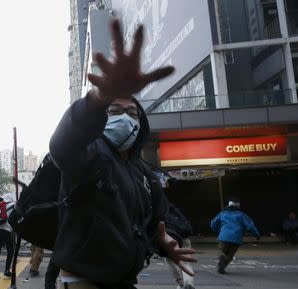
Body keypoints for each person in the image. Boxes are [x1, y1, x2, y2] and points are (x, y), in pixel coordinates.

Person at [49, 18, 196, 289]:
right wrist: (98, 98)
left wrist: (165, 243)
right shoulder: (87, 154)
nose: (125, 118)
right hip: (83, 281)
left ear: (141, 124)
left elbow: (155, 223)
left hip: (125, 280)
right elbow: (62, 144)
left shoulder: (145, 176)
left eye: (132, 113)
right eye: (114, 111)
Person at [211, 200, 260, 274]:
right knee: (230, 255)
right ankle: (222, 268)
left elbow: (213, 223)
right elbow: (250, 226)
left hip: (224, 236)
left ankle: (221, 257)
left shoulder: (222, 214)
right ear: (238, 206)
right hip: (236, 238)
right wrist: (256, 234)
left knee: (221, 251)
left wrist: (217, 230)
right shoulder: (242, 215)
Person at [165, 202, 194, 289]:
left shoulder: (160, 212)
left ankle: (181, 284)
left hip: (170, 239)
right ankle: (188, 283)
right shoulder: (177, 211)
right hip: (184, 238)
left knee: (170, 261)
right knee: (186, 263)